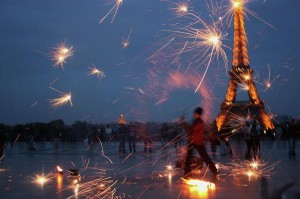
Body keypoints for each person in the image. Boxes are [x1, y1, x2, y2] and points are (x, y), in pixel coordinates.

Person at [184, 107, 218, 179]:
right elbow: (191, 130)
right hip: (193, 141)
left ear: (198, 114)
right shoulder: (196, 121)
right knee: (189, 157)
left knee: (204, 157)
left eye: (195, 113)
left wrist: (186, 126)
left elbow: (192, 130)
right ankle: (187, 173)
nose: (194, 114)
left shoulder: (199, 122)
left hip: (197, 142)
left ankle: (215, 171)